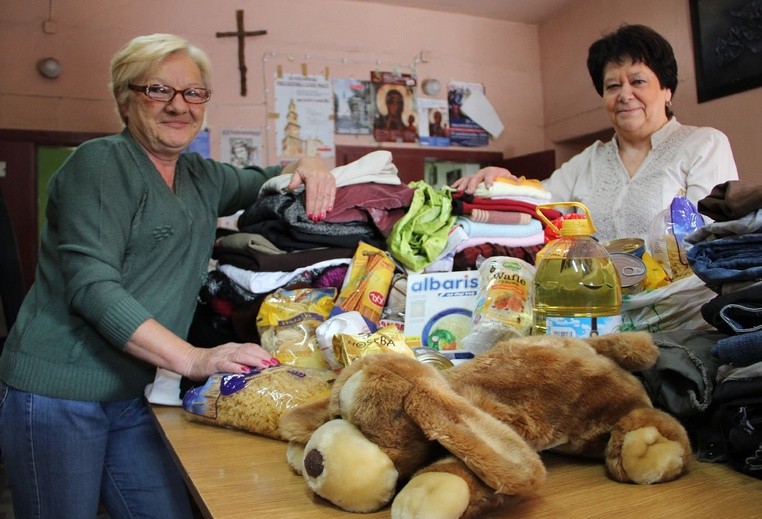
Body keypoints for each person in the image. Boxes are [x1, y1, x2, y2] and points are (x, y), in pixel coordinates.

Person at [0, 33, 335, 518]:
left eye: (193, 93)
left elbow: (269, 177)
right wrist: (195, 359)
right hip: (57, 392)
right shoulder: (99, 164)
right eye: (158, 90)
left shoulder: (201, 176)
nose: (179, 106)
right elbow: (92, 288)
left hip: (127, 389)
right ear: (125, 98)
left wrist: (306, 162)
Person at [452, 24, 739, 243]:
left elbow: (713, 238)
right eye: (612, 86)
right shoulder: (588, 161)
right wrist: (505, 182)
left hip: (684, 312)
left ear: (667, 90)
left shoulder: (704, 145)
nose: (625, 95)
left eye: (637, 81)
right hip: (599, 310)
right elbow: (537, 206)